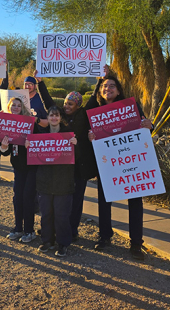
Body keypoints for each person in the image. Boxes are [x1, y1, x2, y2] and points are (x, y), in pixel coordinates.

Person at [87, 75, 153, 260]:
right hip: (107, 162)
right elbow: (86, 132)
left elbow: (144, 124)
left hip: (131, 162)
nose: (108, 88)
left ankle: (136, 243)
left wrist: (150, 125)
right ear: (100, 90)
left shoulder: (130, 107)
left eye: (112, 86)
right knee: (104, 201)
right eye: (104, 86)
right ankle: (105, 236)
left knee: (135, 201)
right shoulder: (95, 110)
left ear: (118, 89)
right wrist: (90, 136)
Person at [28, 105, 77, 257]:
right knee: (46, 214)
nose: (54, 118)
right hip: (44, 180)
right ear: (47, 118)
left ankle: (63, 243)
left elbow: (76, 157)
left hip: (63, 181)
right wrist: (28, 146)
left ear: (60, 118)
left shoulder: (69, 135)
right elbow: (33, 156)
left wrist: (76, 144)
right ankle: (47, 240)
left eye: (56, 115)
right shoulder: (40, 134)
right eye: (51, 115)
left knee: (62, 215)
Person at [0, 97, 38, 243]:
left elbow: (41, 141)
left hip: (31, 166)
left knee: (28, 198)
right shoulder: (7, 125)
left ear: (22, 107)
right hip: (18, 167)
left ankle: (29, 230)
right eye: (13, 105)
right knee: (17, 198)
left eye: (18, 105)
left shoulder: (31, 123)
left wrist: (32, 143)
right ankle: (18, 228)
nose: (16, 107)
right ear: (9, 107)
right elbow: (5, 152)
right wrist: (3, 146)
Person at [63, 91, 98, 241]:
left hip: (80, 166)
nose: (66, 106)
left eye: (70, 104)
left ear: (78, 105)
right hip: (64, 166)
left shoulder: (84, 115)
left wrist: (100, 81)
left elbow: (92, 99)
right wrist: (40, 84)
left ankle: (72, 230)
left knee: (76, 200)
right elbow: (48, 102)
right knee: (62, 199)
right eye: (65, 103)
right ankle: (60, 227)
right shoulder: (61, 116)